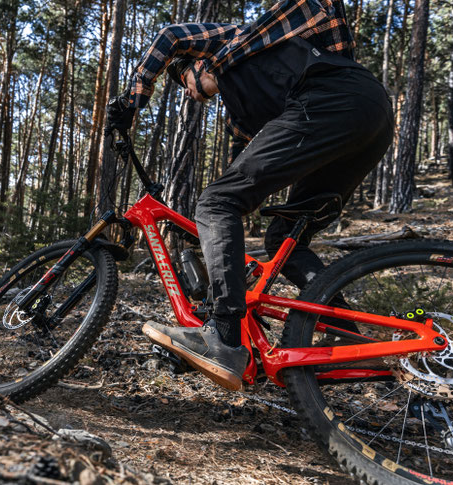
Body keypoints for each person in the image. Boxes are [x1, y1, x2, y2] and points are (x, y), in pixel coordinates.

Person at [105, 0, 394, 391]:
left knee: (216, 201)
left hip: (333, 99)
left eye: (186, 81)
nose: (192, 94)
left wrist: (132, 100)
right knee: (282, 237)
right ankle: (345, 333)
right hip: (367, 118)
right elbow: (239, 170)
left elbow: (171, 36)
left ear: (200, 63)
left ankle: (223, 337)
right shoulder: (243, 113)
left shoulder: (239, 42)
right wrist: (214, 237)